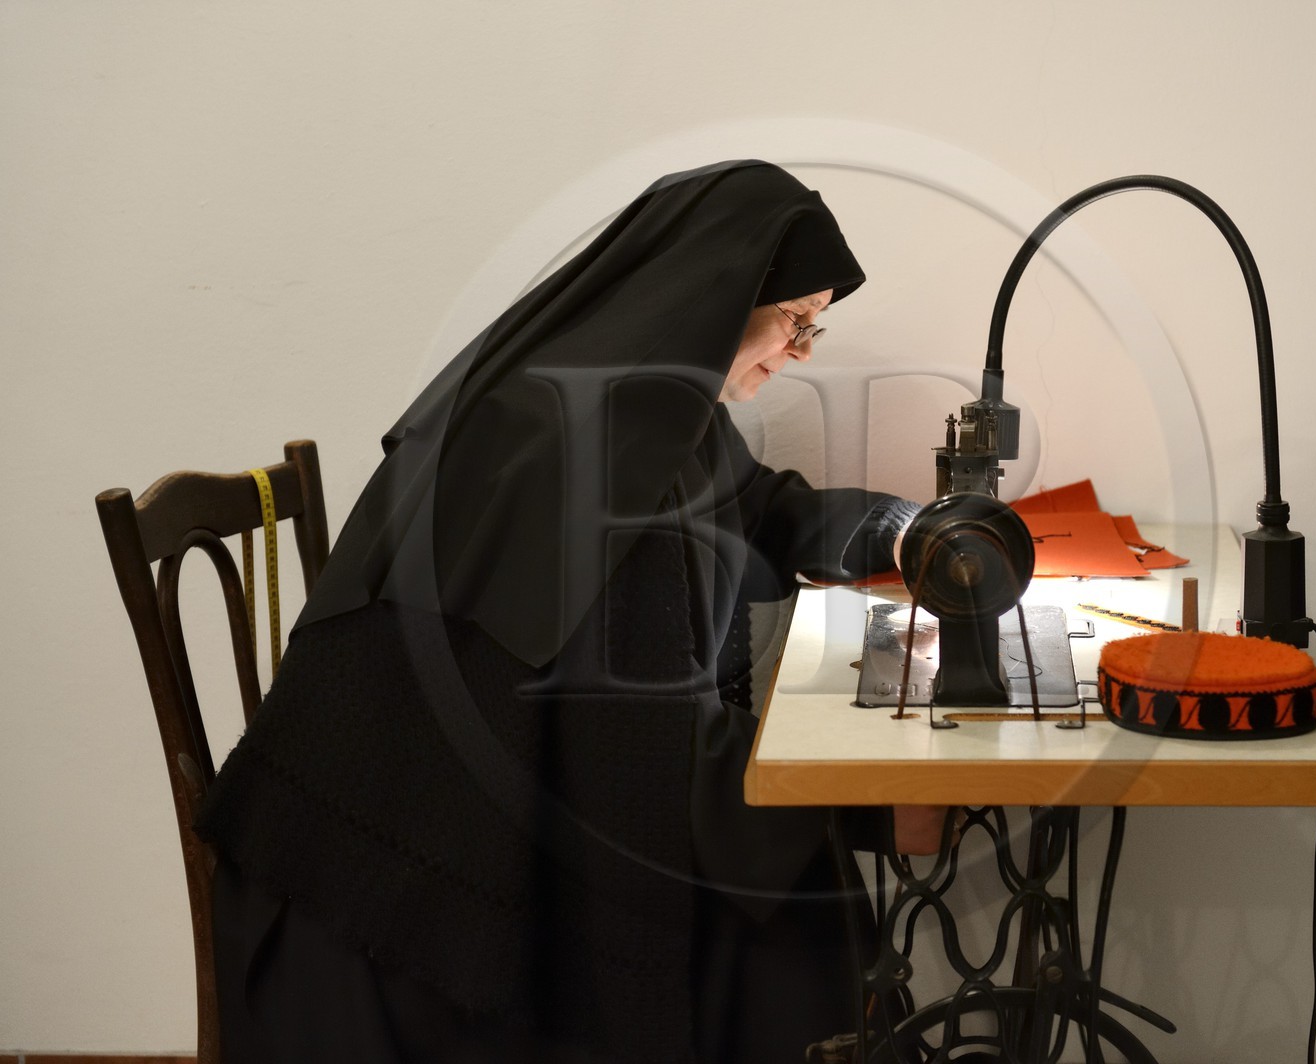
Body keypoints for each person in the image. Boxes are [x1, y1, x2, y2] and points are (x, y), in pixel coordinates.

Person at [195, 160, 922, 1062]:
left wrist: (905, 532)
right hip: (396, 912)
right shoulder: (593, 449)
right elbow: (645, 753)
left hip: (442, 827)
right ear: (721, 294)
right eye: (797, 319)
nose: (806, 350)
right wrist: (866, 788)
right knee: (804, 916)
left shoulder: (652, 400)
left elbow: (761, 507)